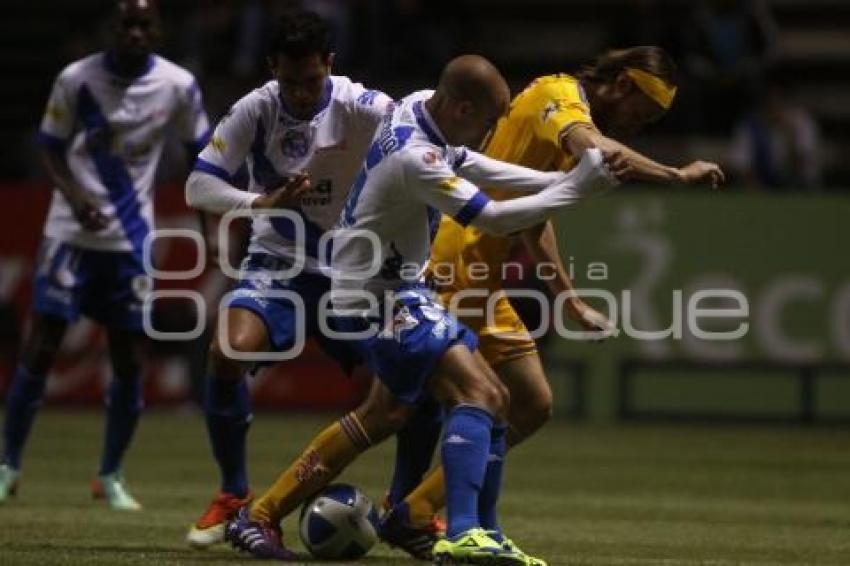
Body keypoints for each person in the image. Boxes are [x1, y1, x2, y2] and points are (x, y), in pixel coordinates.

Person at [236, 45, 725, 562]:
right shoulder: (418, 156)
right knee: (483, 394)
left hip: (394, 285)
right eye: (490, 120)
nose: (495, 129)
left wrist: (565, 186)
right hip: (388, 292)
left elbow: (478, 163)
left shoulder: (421, 108)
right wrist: (587, 186)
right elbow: (491, 217)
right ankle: (463, 530)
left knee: (391, 412)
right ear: (463, 109)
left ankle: (263, 515)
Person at [183, 9, 393, 550]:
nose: (300, 93)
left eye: (311, 80)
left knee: (412, 381)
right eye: (289, 80)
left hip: (355, 268)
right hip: (279, 263)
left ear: (330, 64)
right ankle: (233, 495)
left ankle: (406, 506)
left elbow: (417, 150)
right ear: (273, 66)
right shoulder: (256, 108)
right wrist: (260, 201)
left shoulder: (362, 106)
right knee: (227, 350)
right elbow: (198, 187)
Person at [0, 0, 210, 510]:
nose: (136, 33)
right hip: (69, 234)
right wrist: (74, 196)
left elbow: (200, 155)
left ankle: (110, 474)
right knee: (42, 347)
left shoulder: (178, 86)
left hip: (130, 241)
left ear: (159, 29)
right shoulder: (77, 79)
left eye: (145, 24)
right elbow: (50, 146)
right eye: (126, 24)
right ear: (110, 28)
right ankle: (9, 465)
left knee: (128, 358)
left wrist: (207, 224)